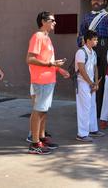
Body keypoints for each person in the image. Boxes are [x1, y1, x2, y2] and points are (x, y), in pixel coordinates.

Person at [26, 11, 70, 154]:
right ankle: (34, 144)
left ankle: (41, 138)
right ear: (43, 22)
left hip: (48, 80)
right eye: (52, 20)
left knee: (43, 111)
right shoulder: (38, 36)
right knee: (38, 111)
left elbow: (49, 61)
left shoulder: (47, 38)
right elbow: (30, 59)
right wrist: (51, 64)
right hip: (41, 80)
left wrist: (59, 69)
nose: (54, 23)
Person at [78, 0, 108, 117]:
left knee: (105, 79)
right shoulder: (86, 17)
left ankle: (106, 112)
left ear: (105, 2)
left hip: (104, 49)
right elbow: (81, 35)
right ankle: (91, 110)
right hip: (89, 49)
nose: (96, 2)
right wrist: (81, 47)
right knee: (89, 77)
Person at [75, 30, 105, 142]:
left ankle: (93, 129)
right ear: (88, 41)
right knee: (84, 108)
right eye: (95, 40)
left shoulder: (93, 52)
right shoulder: (81, 52)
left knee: (92, 106)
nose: (96, 41)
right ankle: (82, 134)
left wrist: (95, 82)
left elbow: (95, 67)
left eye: (97, 39)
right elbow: (81, 70)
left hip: (91, 83)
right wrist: (91, 83)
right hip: (82, 83)